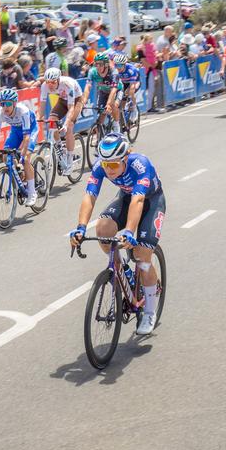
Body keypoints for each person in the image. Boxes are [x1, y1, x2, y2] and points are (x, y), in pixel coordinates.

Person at [68, 134, 165, 335]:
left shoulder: (140, 165)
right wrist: (80, 228)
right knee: (103, 229)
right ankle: (123, 271)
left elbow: (138, 201)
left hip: (151, 201)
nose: (108, 170)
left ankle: (149, 311)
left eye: (113, 166)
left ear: (125, 158)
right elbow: (89, 195)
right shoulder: (102, 166)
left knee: (142, 255)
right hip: (127, 197)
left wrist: (129, 232)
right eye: (105, 165)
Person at [0, 88, 39, 206]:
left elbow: (26, 137)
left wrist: (23, 155)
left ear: (14, 103)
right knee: (6, 157)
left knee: (26, 159)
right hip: (16, 131)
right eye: (2, 104)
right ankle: (20, 175)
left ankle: (32, 192)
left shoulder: (23, 111)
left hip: (30, 131)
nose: (5, 107)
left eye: (8, 103)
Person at [86, 53, 122, 128]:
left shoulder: (113, 72)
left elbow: (113, 90)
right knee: (102, 112)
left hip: (117, 90)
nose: (98, 67)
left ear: (106, 65)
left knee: (113, 105)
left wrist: (108, 104)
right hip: (103, 91)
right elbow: (88, 87)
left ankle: (116, 125)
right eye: (96, 64)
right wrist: (82, 102)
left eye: (101, 64)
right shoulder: (92, 72)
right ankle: (100, 135)